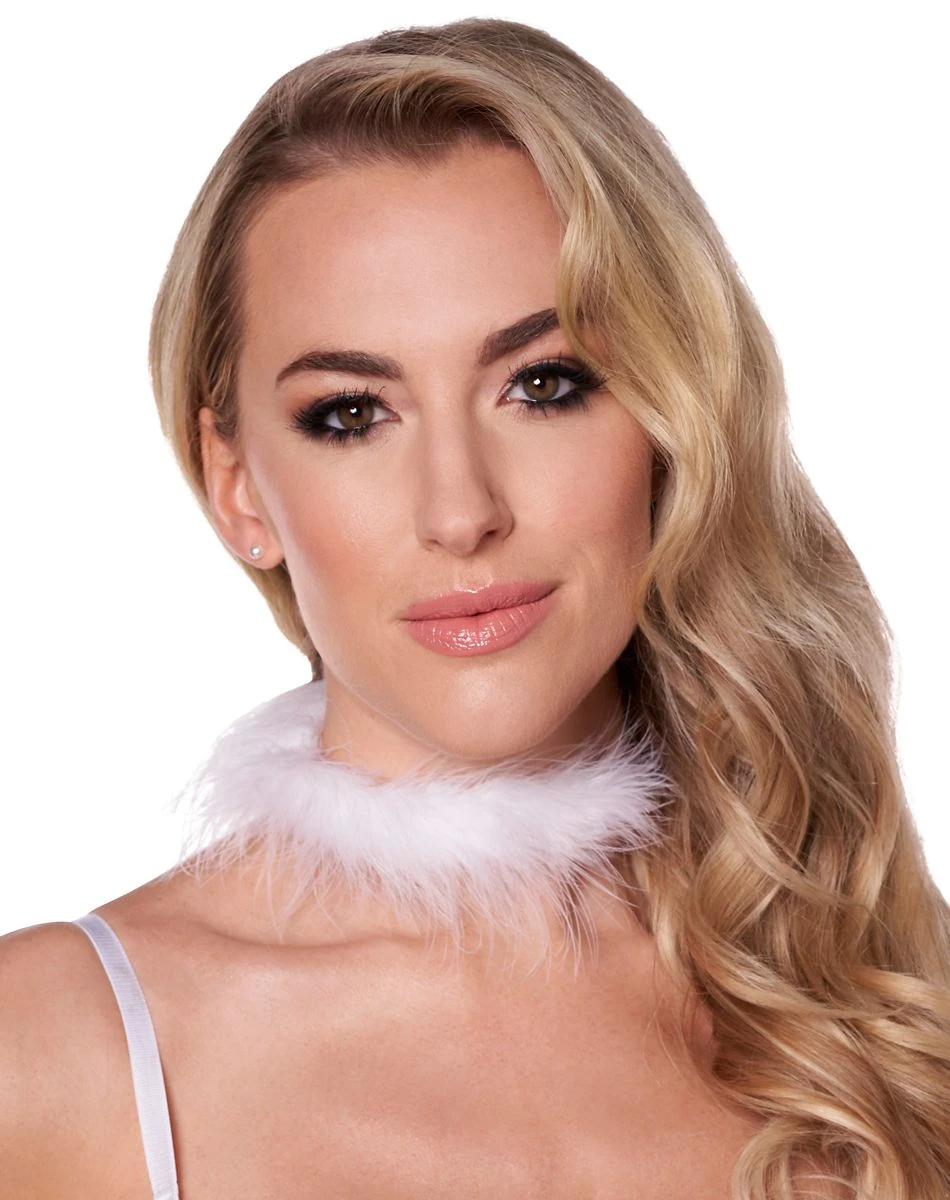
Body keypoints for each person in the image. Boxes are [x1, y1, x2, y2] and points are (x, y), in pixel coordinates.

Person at [2, 16, 948, 1199]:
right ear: (236, 485)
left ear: (670, 418)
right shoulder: (51, 1054)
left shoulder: (884, 1005)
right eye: (351, 414)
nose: (460, 513)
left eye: (541, 385)